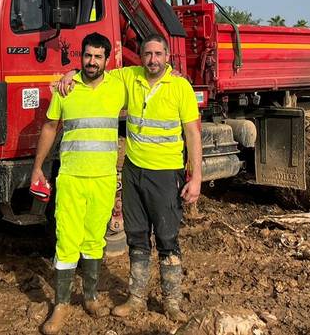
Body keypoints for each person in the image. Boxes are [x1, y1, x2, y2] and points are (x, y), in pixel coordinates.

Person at [58, 33, 202, 323]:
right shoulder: (130, 77)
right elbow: (95, 70)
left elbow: (193, 134)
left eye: (158, 54)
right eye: (147, 54)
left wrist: (196, 176)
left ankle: (171, 303)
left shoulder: (181, 86)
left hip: (165, 172)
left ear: (167, 57)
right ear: (142, 56)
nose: (152, 60)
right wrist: (70, 73)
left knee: (166, 237)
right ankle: (136, 299)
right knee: (136, 237)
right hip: (134, 169)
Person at [31, 32, 125, 335]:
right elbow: (49, 127)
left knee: (94, 241)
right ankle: (60, 305)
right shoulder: (66, 88)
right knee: (67, 240)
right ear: (81, 57)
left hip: (103, 178)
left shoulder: (119, 86)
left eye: (98, 56)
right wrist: (37, 169)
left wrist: (172, 71)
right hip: (71, 176)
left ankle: (90, 296)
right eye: (87, 56)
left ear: (106, 60)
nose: (92, 61)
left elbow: (150, 71)